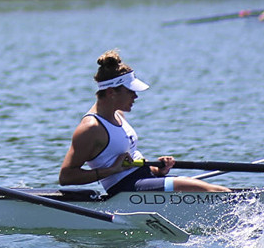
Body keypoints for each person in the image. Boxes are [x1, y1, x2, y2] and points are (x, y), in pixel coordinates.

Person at [58, 50, 229, 193]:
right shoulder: (90, 128)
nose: (136, 96)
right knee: (213, 191)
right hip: (125, 189)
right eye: (130, 91)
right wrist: (111, 171)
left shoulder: (118, 116)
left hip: (145, 178)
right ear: (111, 92)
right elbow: (66, 177)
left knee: (218, 190)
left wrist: (158, 170)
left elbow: (130, 161)